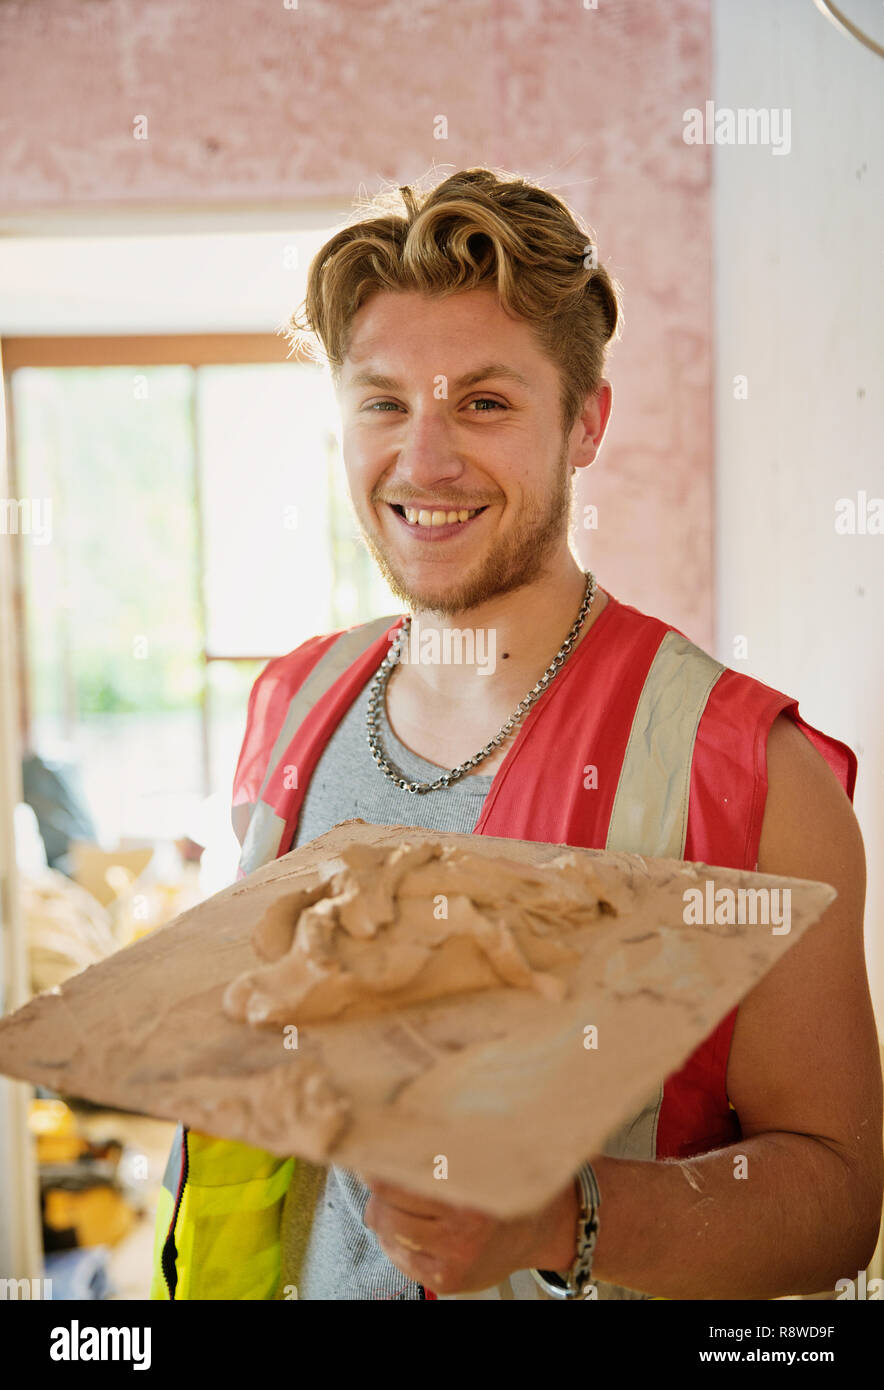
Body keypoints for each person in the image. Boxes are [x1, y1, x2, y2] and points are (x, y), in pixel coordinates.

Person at [151, 168, 882, 1301]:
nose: (425, 460)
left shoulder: (746, 772)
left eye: (483, 403)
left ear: (585, 423)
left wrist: (566, 1216)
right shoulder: (291, 702)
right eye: (383, 402)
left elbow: (833, 1197)